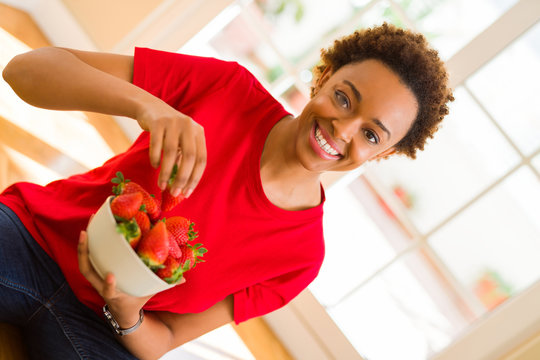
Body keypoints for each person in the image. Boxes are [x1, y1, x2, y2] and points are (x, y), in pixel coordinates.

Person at [0, 23, 453, 359]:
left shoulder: (300, 256)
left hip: (99, 330)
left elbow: (166, 339)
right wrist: (149, 107)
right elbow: (25, 69)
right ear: (324, 76)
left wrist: (127, 311)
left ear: (384, 154)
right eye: (344, 97)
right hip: (32, 240)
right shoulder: (228, 90)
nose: (344, 128)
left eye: (372, 135)